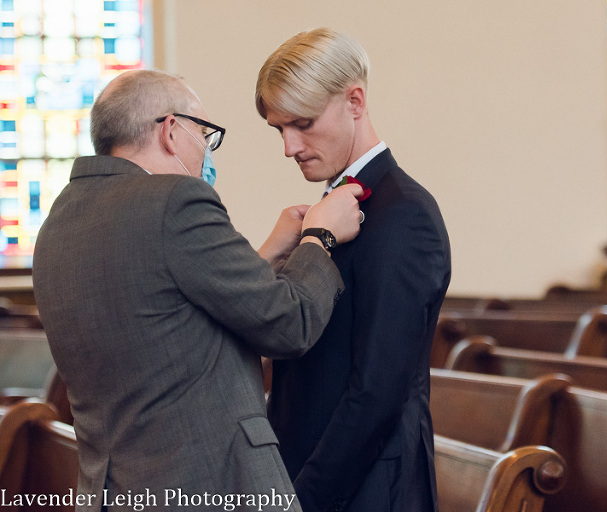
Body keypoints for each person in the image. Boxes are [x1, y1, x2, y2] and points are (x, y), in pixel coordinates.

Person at [32, 69, 364, 512]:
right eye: (205, 135)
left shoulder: (59, 222)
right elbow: (289, 325)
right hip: (207, 483)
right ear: (172, 131)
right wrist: (318, 237)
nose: (207, 150)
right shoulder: (174, 199)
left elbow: (166, 309)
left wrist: (268, 253)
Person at [255, 28, 451, 512]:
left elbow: (377, 393)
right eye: (278, 129)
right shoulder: (331, 210)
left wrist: (304, 501)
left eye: (301, 122)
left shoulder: (405, 215)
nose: (288, 146)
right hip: (310, 471)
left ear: (355, 101)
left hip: (366, 491)